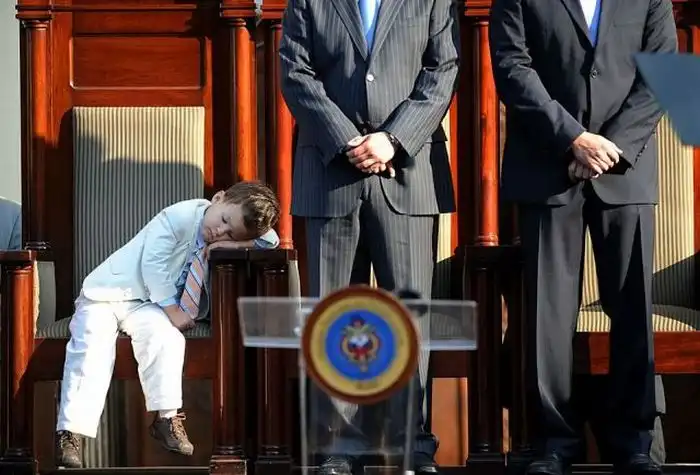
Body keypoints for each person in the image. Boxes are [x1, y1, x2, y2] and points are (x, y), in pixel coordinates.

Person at [489, 0, 677, 473]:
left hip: (626, 168)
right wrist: (573, 139)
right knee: (547, 314)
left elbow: (661, 72)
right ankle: (553, 442)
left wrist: (611, 149)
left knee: (632, 305)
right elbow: (512, 66)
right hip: (546, 166)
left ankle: (636, 441)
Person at [279, 0, 459, 473]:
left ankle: (413, 444)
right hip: (331, 172)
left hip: (408, 171)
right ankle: (339, 446)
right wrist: (347, 141)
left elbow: (442, 70)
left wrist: (391, 139)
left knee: (409, 315)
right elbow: (296, 71)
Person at [55, 182, 280, 468]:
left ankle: (166, 417)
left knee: (167, 339)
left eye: (230, 232)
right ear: (218, 198)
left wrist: (235, 244)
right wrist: (173, 310)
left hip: (148, 304)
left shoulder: (227, 231)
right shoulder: (180, 216)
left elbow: (270, 239)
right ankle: (71, 432)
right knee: (91, 344)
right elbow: (153, 264)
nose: (219, 232)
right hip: (109, 293)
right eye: (223, 220)